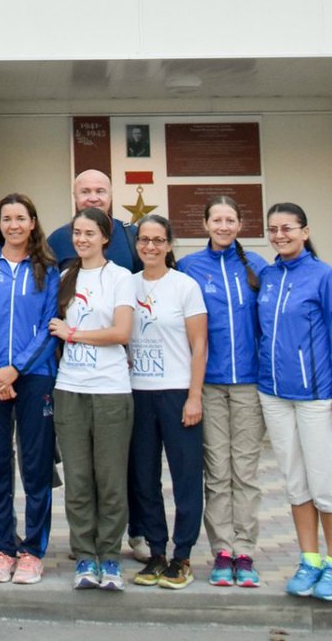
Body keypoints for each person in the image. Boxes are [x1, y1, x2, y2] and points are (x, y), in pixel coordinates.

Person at [257, 202, 332, 604]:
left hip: (317, 397)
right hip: (274, 395)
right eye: (273, 229)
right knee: (296, 485)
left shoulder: (324, 276)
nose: (279, 235)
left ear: (304, 231)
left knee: (325, 484)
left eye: (287, 228)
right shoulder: (268, 276)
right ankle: (309, 560)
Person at [0, 192, 59, 584]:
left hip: (34, 376)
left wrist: (15, 370)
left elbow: (51, 327)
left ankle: (33, 551)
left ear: (32, 223)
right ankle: (3, 548)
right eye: (7, 219)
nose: (14, 225)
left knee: (36, 466)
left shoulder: (48, 269)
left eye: (21, 218)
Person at [179, 194, 268, 587]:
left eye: (230, 220)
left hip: (248, 383)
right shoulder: (189, 268)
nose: (223, 226)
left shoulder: (257, 266)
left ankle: (244, 551)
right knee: (216, 472)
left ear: (239, 225)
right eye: (217, 220)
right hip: (209, 384)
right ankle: (222, 551)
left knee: (244, 472)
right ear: (205, 225)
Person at [48, 207, 135, 592]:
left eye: (89, 233)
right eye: (77, 233)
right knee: (79, 479)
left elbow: (121, 332)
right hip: (71, 388)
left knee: (110, 479)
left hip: (111, 389)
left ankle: (110, 556)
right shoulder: (65, 277)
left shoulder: (120, 277)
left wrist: (74, 334)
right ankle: (84, 554)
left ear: (105, 237)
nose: (81, 239)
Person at [127, 213, 208, 591]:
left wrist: (194, 396)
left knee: (186, 476)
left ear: (170, 245)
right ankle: (157, 551)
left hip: (177, 392)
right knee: (144, 477)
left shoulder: (185, 286)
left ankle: (182, 555)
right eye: (144, 239)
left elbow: (199, 345)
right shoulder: (127, 285)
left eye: (158, 240)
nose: (150, 246)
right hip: (137, 393)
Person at [47, 171, 141, 273]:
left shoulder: (133, 235)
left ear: (110, 196)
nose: (93, 199)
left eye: (100, 191)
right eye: (85, 192)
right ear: (75, 196)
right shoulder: (57, 240)